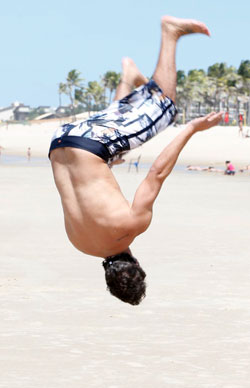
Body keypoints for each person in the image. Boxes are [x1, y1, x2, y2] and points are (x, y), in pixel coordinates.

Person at [49, 16, 221, 305]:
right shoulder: (79, 244)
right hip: (60, 142)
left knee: (165, 108)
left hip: (92, 145)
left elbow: (156, 173)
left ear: (138, 265)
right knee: (119, 145)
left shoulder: (131, 226)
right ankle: (128, 78)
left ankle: (171, 33)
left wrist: (192, 129)